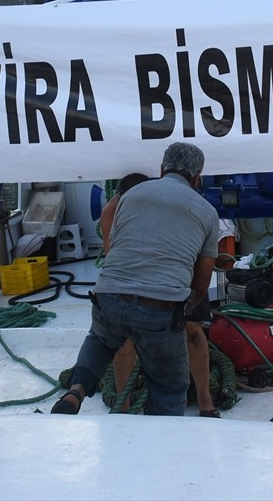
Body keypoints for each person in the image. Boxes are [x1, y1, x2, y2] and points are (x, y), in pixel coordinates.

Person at [51, 142, 219, 417]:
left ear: (162, 169)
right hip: (161, 308)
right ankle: (159, 438)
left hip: (108, 296)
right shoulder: (207, 212)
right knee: (169, 386)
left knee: (101, 340)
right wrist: (180, 312)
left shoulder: (130, 195)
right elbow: (200, 285)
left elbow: (115, 247)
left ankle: (76, 390)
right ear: (198, 177)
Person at [102, 173, 220, 417]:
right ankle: (122, 409)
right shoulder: (113, 211)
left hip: (181, 266)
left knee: (193, 329)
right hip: (134, 274)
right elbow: (112, 257)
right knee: (124, 337)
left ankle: (204, 399)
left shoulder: (182, 204)